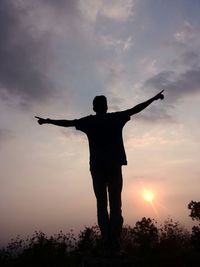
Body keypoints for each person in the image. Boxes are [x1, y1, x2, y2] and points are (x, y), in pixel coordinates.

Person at [35, 90, 164, 255]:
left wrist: (48, 121)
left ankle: (106, 242)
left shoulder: (89, 122)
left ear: (94, 107)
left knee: (102, 205)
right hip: (113, 166)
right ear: (106, 106)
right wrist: (153, 98)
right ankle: (115, 242)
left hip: (97, 168)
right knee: (116, 205)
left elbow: (68, 123)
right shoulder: (115, 118)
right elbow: (135, 109)